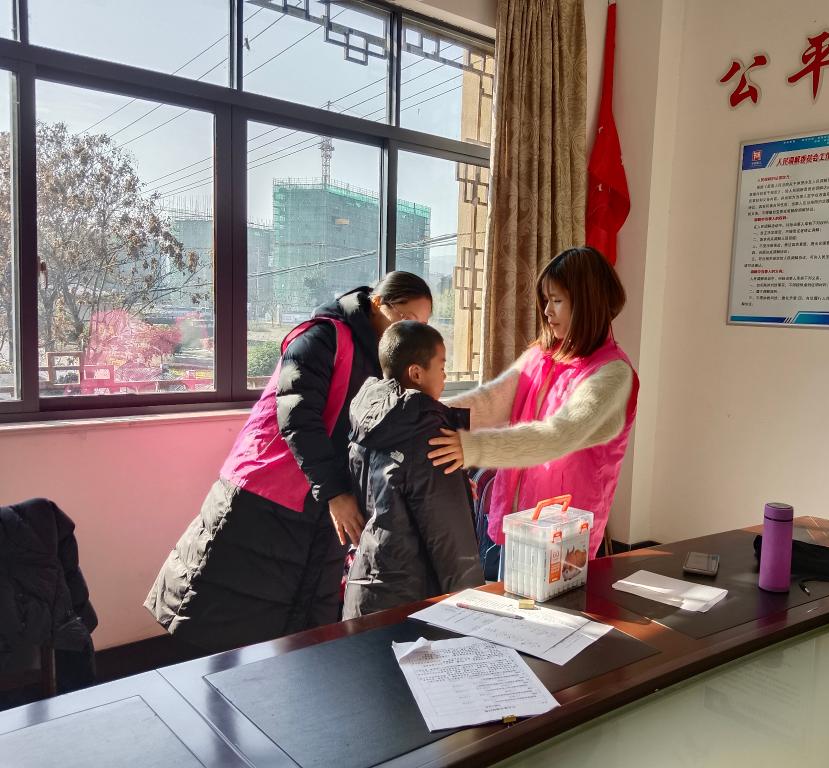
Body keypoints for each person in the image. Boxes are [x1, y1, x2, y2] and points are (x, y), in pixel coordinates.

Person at [145, 273, 432, 652]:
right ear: (378, 303)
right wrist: (335, 493)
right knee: (224, 618)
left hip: (323, 503)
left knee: (303, 626)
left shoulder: (384, 361)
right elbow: (297, 417)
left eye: (420, 325)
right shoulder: (324, 335)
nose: (410, 330)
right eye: (406, 318)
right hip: (267, 492)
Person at [429, 246, 638, 563]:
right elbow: (491, 401)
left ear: (587, 303)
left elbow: (557, 437)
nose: (547, 311)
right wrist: (426, 412)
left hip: (563, 534)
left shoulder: (612, 374)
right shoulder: (542, 356)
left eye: (557, 300)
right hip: (515, 519)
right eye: (546, 300)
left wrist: (470, 448)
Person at [342, 321, 483, 619]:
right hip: (413, 602)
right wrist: (471, 611)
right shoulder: (428, 433)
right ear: (417, 373)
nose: (445, 376)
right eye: (441, 367)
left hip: (365, 585)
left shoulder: (367, 417)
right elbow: (452, 542)